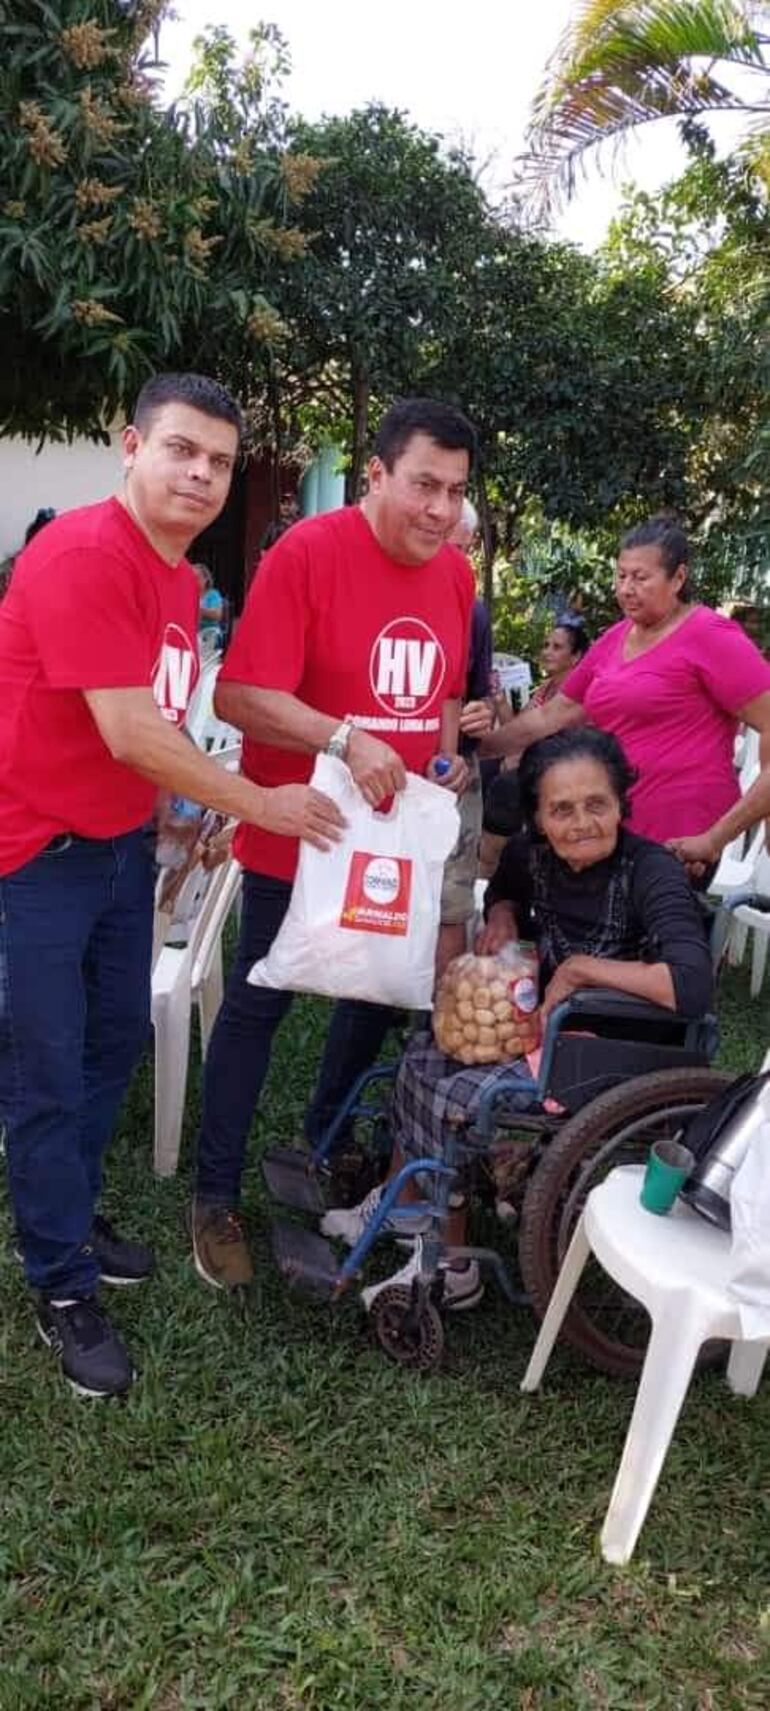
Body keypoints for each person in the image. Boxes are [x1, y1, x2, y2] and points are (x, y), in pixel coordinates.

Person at [0, 371, 343, 1399]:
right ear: (130, 445)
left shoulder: (174, 574)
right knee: (50, 1073)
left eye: (219, 461)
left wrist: (171, 819)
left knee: (113, 1044)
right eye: (181, 450)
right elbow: (129, 727)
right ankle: (58, 1280)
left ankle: (65, 1211)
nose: (200, 473)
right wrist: (255, 801)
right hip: (32, 857)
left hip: (111, 849)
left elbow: (146, 731)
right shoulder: (82, 552)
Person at [192, 397, 478, 1292]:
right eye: (423, 484)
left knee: (374, 998)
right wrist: (343, 738)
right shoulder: (307, 554)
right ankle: (213, 1196)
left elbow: (440, 697)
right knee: (255, 1008)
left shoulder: (456, 576)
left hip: (394, 840)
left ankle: (324, 1144)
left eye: (456, 491)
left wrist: (446, 759)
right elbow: (237, 694)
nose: (439, 509)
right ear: (378, 476)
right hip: (302, 829)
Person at [321, 727, 714, 1310]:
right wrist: (502, 917)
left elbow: (690, 985)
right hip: (546, 1031)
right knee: (425, 1051)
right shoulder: (534, 856)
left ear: (621, 805)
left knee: (458, 1095)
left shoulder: (648, 872)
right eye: (561, 809)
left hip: (611, 1051)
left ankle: (453, 1268)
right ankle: (404, 1205)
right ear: (537, 818)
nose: (580, 822)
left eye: (596, 805)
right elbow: (502, 889)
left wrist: (581, 970)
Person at [482, 516, 770, 855]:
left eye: (640, 577)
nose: (626, 589)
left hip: (682, 835)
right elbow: (553, 715)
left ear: (678, 578)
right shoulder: (617, 637)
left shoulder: (710, 636)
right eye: (620, 576)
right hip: (614, 826)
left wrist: (716, 838)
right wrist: (476, 748)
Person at [479, 616, 591, 876]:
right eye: (546, 645)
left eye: (557, 647)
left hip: (561, 769)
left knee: (506, 786)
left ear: (576, 657)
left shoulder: (579, 693)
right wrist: (499, 700)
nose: (547, 652)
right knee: (481, 769)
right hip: (529, 761)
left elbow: (556, 740)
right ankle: (477, 853)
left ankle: (489, 863)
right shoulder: (546, 689)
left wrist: (516, 758)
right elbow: (518, 727)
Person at [436, 498, 494, 978]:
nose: (452, 562)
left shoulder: (474, 614)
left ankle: (441, 1013)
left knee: (452, 900)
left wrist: (483, 713)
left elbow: (480, 698)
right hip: (393, 772)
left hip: (459, 775)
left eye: (460, 549)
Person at [193, 561, 227, 653]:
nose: (194, 580)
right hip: (193, 632)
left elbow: (217, 615)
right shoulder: (188, 595)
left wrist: (198, 610)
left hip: (209, 632)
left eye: (197, 577)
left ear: (206, 579)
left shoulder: (213, 594)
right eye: (191, 577)